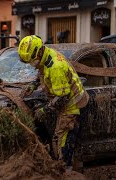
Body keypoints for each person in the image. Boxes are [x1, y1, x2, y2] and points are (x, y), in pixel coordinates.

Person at [17, 35, 89, 168]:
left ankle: (65, 170)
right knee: (70, 142)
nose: (31, 64)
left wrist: (45, 110)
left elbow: (63, 96)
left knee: (60, 141)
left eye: (31, 61)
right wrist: (34, 84)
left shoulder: (56, 66)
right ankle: (74, 167)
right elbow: (42, 71)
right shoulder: (46, 54)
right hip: (67, 101)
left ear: (38, 52)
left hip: (72, 106)